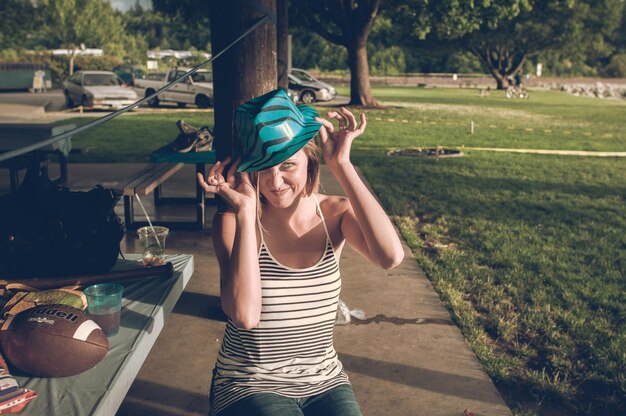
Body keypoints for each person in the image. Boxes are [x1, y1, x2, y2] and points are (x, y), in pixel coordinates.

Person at [198, 89, 404, 416]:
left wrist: (343, 165)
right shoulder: (233, 221)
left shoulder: (335, 214)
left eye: (288, 166)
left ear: (310, 161)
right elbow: (244, 315)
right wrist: (245, 210)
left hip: (325, 379)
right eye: (263, 169)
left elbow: (390, 257)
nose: (275, 182)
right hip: (249, 380)